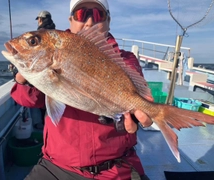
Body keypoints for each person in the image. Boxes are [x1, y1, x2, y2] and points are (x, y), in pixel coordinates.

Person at [11, 0, 153, 179]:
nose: (89, 22)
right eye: (81, 14)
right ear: (70, 20)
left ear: (108, 21)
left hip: (115, 168)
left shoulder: (125, 60)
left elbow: (138, 101)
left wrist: (139, 116)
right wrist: (23, 77)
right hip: (57, 166)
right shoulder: (53, 51)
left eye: (98, 15)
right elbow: (29, 101)